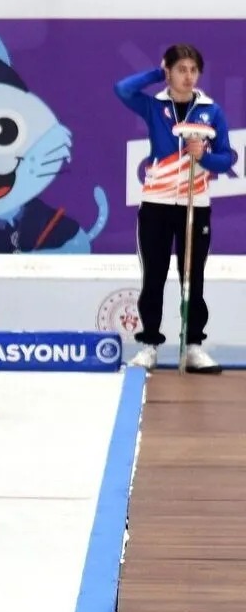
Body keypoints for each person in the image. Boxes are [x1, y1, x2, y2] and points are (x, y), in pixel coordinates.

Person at [115, 43, 232, 373]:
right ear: (170, 72)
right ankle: (150, 344)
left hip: (196, 205)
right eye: (181, 69)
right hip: (157, 203)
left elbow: (227, 157)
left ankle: (193, 345)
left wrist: (203, 157)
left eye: (193, 70)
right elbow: (121, 89)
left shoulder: (211, 111)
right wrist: (157, 72)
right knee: (153, 275)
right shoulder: (154, 107)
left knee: (192, 277)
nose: (188, 76)